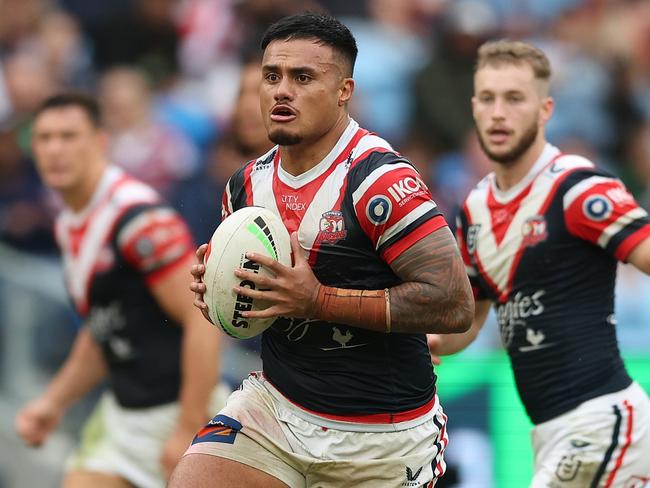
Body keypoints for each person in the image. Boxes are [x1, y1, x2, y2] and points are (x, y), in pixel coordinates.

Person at [169, 13, 474, 488]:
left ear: (344, 91)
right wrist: (221, 292)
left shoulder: (380, 181)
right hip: (277, 409)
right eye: (272, 76)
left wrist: (318, 300)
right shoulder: (244, 185)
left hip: (381, 437)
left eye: (302, 77)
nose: (281, 91)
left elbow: (454, 304)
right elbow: (256, 309)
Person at [428, 40, 650, 486]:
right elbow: (468, 322)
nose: (498, 112)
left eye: (514, 99)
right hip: (550, 431)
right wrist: (422, 343)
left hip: (601, 421)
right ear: (473, 107)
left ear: (545, 109)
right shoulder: (474, 208)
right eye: (488, 98)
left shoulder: (577, 187)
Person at [15, 92, 228, 488]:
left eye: (68, 136)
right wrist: (54, 402)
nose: (55, 149)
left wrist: (187, 425)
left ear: (99, 142)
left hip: (178, 410)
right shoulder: (69, 223)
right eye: (44, 138)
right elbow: (103, 328)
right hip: (123, 413)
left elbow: (204, 320)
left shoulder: (139, 221)